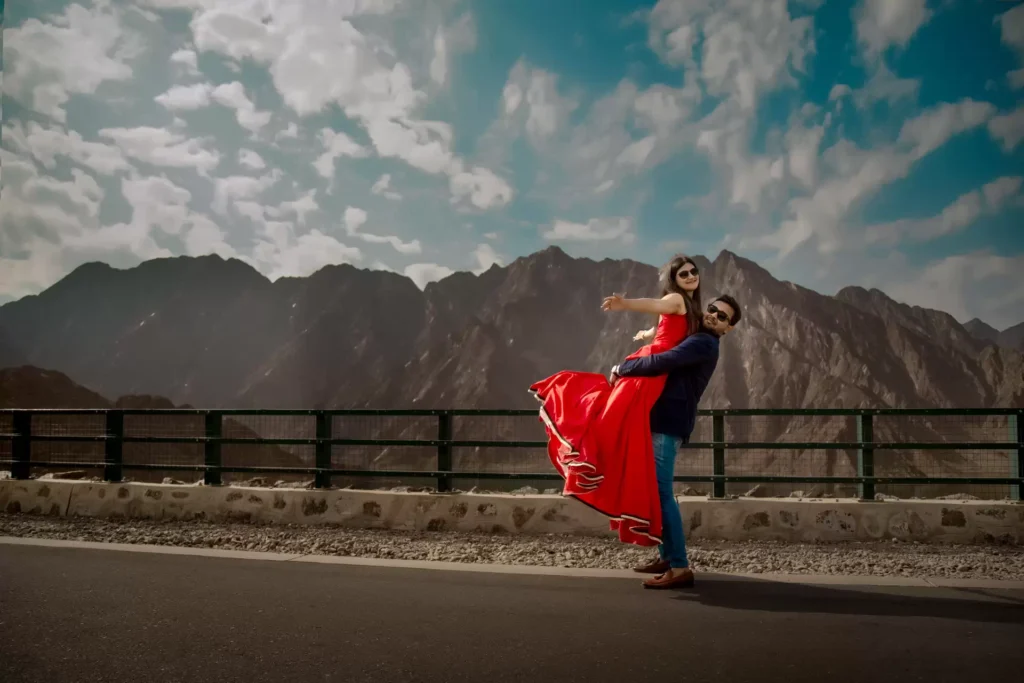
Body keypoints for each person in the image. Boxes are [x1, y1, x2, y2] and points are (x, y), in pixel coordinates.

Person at [529, 255, 703, 547]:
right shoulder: (680, 301)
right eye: (683, 273)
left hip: (652, 367)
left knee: (610, 415)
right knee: (618, 417)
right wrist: (647, 333)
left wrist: (625, 305)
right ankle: (592, 459)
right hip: (653, 366)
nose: (690, 276)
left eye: (693, 271)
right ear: (674, 280)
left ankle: (586, 457)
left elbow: (655, 306)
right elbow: (661, 316)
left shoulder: (678, 301)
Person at [610, 294, 742, 589]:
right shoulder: (697, 336)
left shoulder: (704, 343)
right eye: (712, 309)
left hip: (669, 424)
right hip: (664, 420)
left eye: (722, 317)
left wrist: (622, 368)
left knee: (661, 493)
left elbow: (664, 361)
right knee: (657, 492)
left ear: (728, 328)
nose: (713, 316)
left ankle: (680, 566)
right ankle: (667, 556)